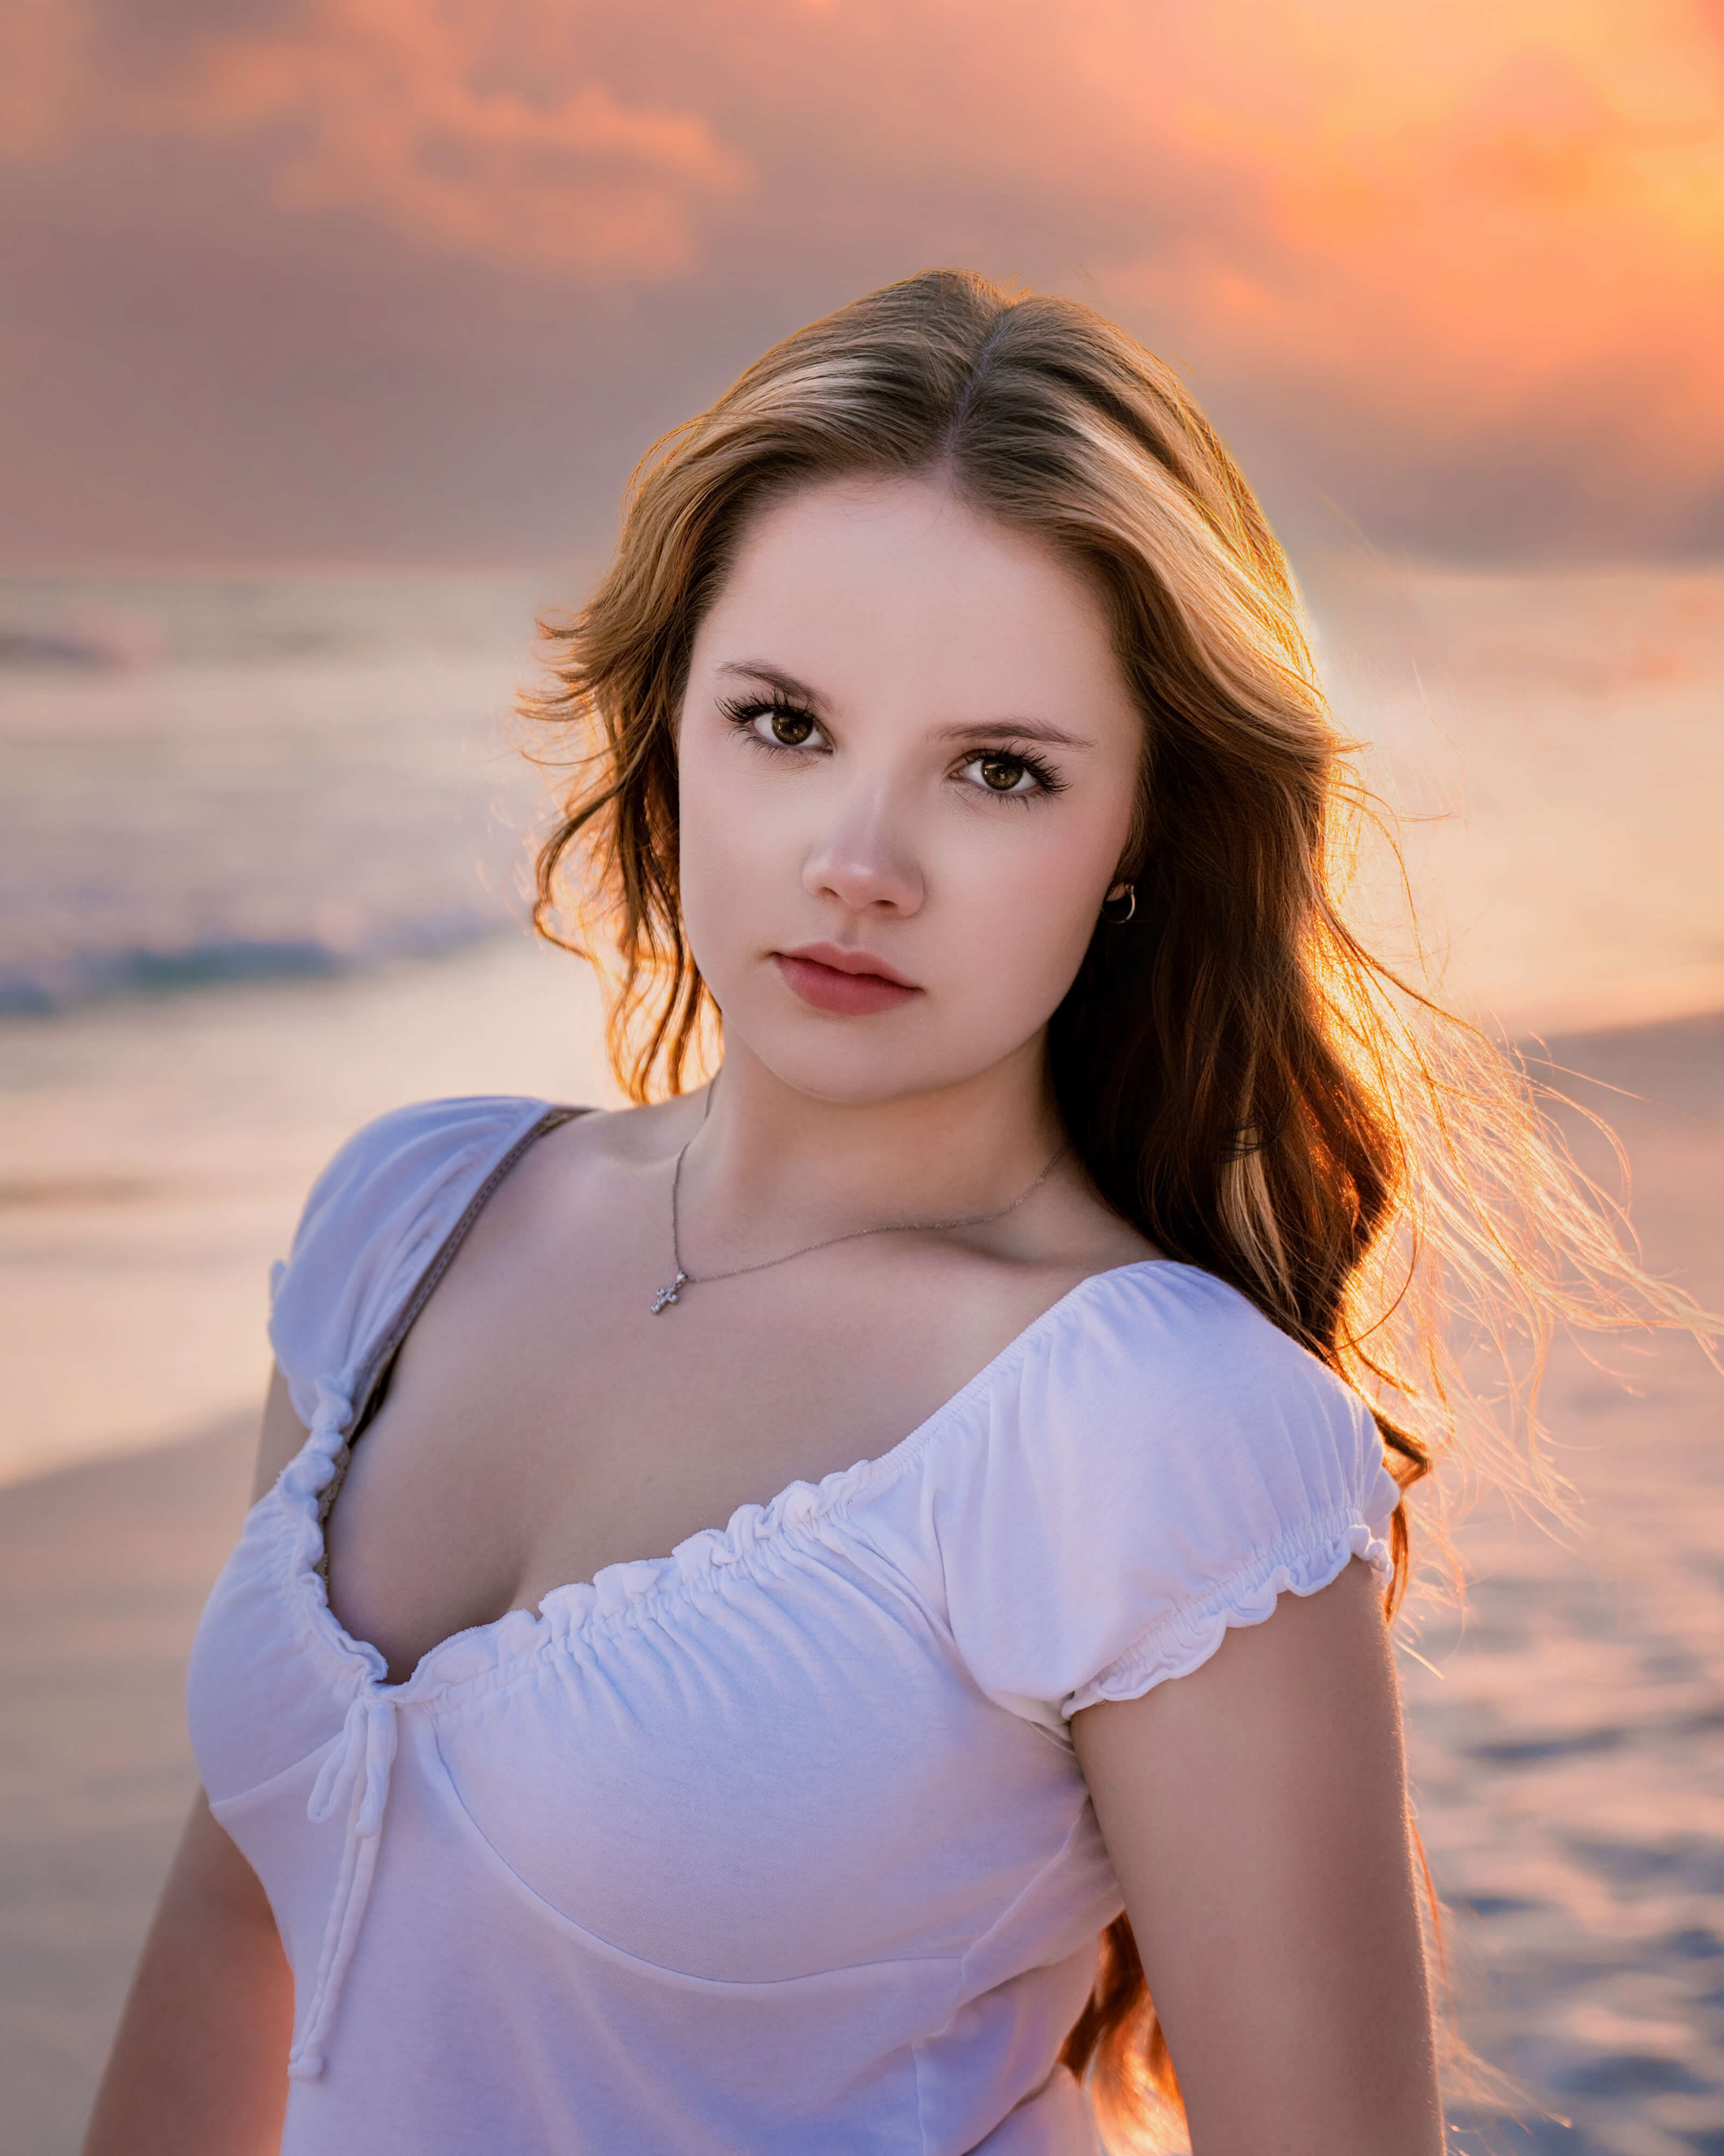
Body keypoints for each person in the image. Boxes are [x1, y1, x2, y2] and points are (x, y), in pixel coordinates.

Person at [82, 269, 1668, 2155]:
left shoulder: (1148, 1424)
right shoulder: (406, 1228)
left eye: (1000, 772)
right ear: (669, 718)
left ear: (1145, 834)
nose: (856, 865)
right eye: (785, 725)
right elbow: (236, 1928)